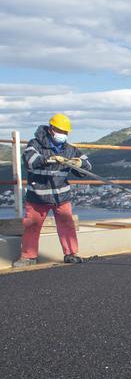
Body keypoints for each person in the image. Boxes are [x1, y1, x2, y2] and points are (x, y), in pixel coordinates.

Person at [13, 114, 91, 268]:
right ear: (51, 129)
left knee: (67, 224)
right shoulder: (35, 144)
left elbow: (88, 167)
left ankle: (71, 254)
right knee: (32, 225)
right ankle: (28, 256)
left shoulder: (70, 150)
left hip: (61, 195)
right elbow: (29, 161)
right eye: (61, 131)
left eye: (66, 132)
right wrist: (50, 159)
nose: (64, 135)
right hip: (38, 196)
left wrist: (79, 163)